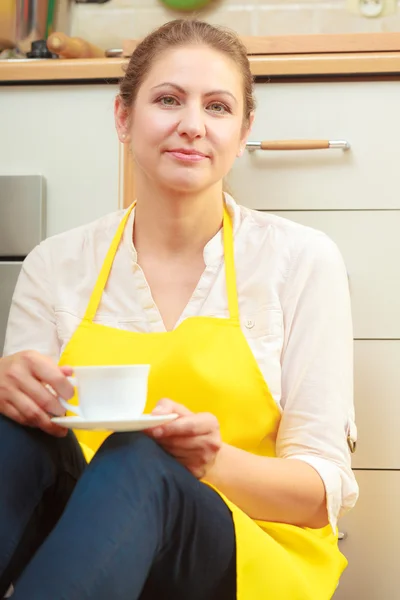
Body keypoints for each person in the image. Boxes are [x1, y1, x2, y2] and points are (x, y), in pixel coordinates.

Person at [0, 18, 358, 600]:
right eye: (168, 100)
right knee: (12, 433)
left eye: (217, 108)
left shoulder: (300, 262)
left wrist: (211, 460)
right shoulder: (56, 264)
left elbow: (319, 496)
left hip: (243, 553)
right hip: (87, 547)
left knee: (136, 455)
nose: (192, 126)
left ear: (242, 133)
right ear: (123, 117)